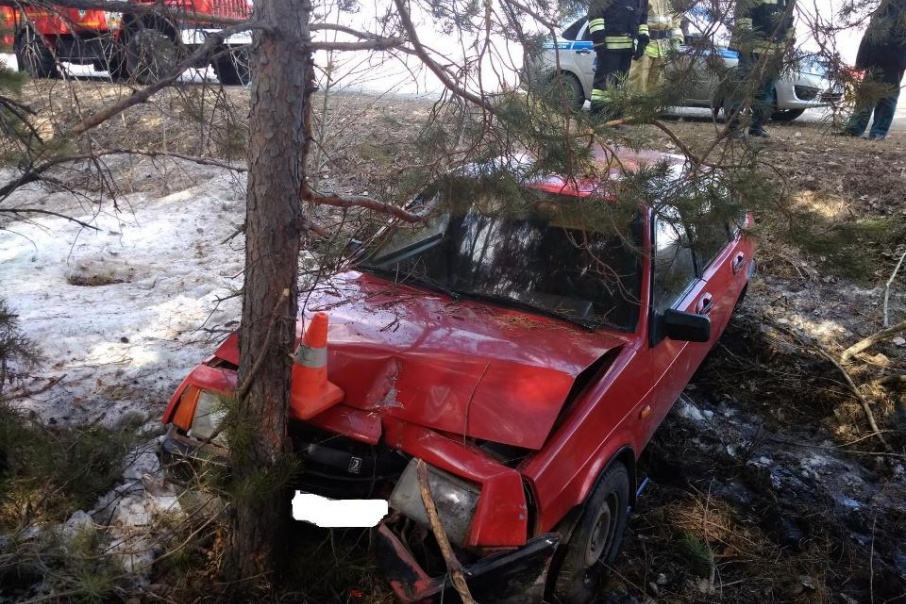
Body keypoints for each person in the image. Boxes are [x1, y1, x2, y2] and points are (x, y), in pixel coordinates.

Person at [726, 0, 796, 138]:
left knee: (766, 90)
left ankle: (757, 126)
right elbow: (743, 13)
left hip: (776, 51)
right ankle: (733, 127)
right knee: (743, 87)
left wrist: (790, 38)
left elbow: (789, 20)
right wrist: (747, 36)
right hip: (752, 48)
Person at [840, 0, 906, 141]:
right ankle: (854, 129)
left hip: (895, 61)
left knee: (887, 97)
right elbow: (869, 34)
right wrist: (861, 61)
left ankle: (878, 133)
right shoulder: (883, 7)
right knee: (865, 94)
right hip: (874, 59)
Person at [588, 0, 649, 117]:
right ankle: (598, 117)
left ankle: (616, 117)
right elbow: (595, 14)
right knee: (603, 86)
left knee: (620, 85)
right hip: (608, 48)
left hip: (628, 49)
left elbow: (643, 19)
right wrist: (599, 41)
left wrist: (642, 42)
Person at [627, 0, 685, 95]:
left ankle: (651, 110)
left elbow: (676, 22)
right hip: (644, 45)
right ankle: (634, 109)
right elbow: (634, 17)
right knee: (638, 84)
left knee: (656, 86)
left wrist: (676, 40)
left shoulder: (672, 2)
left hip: (663, 48)